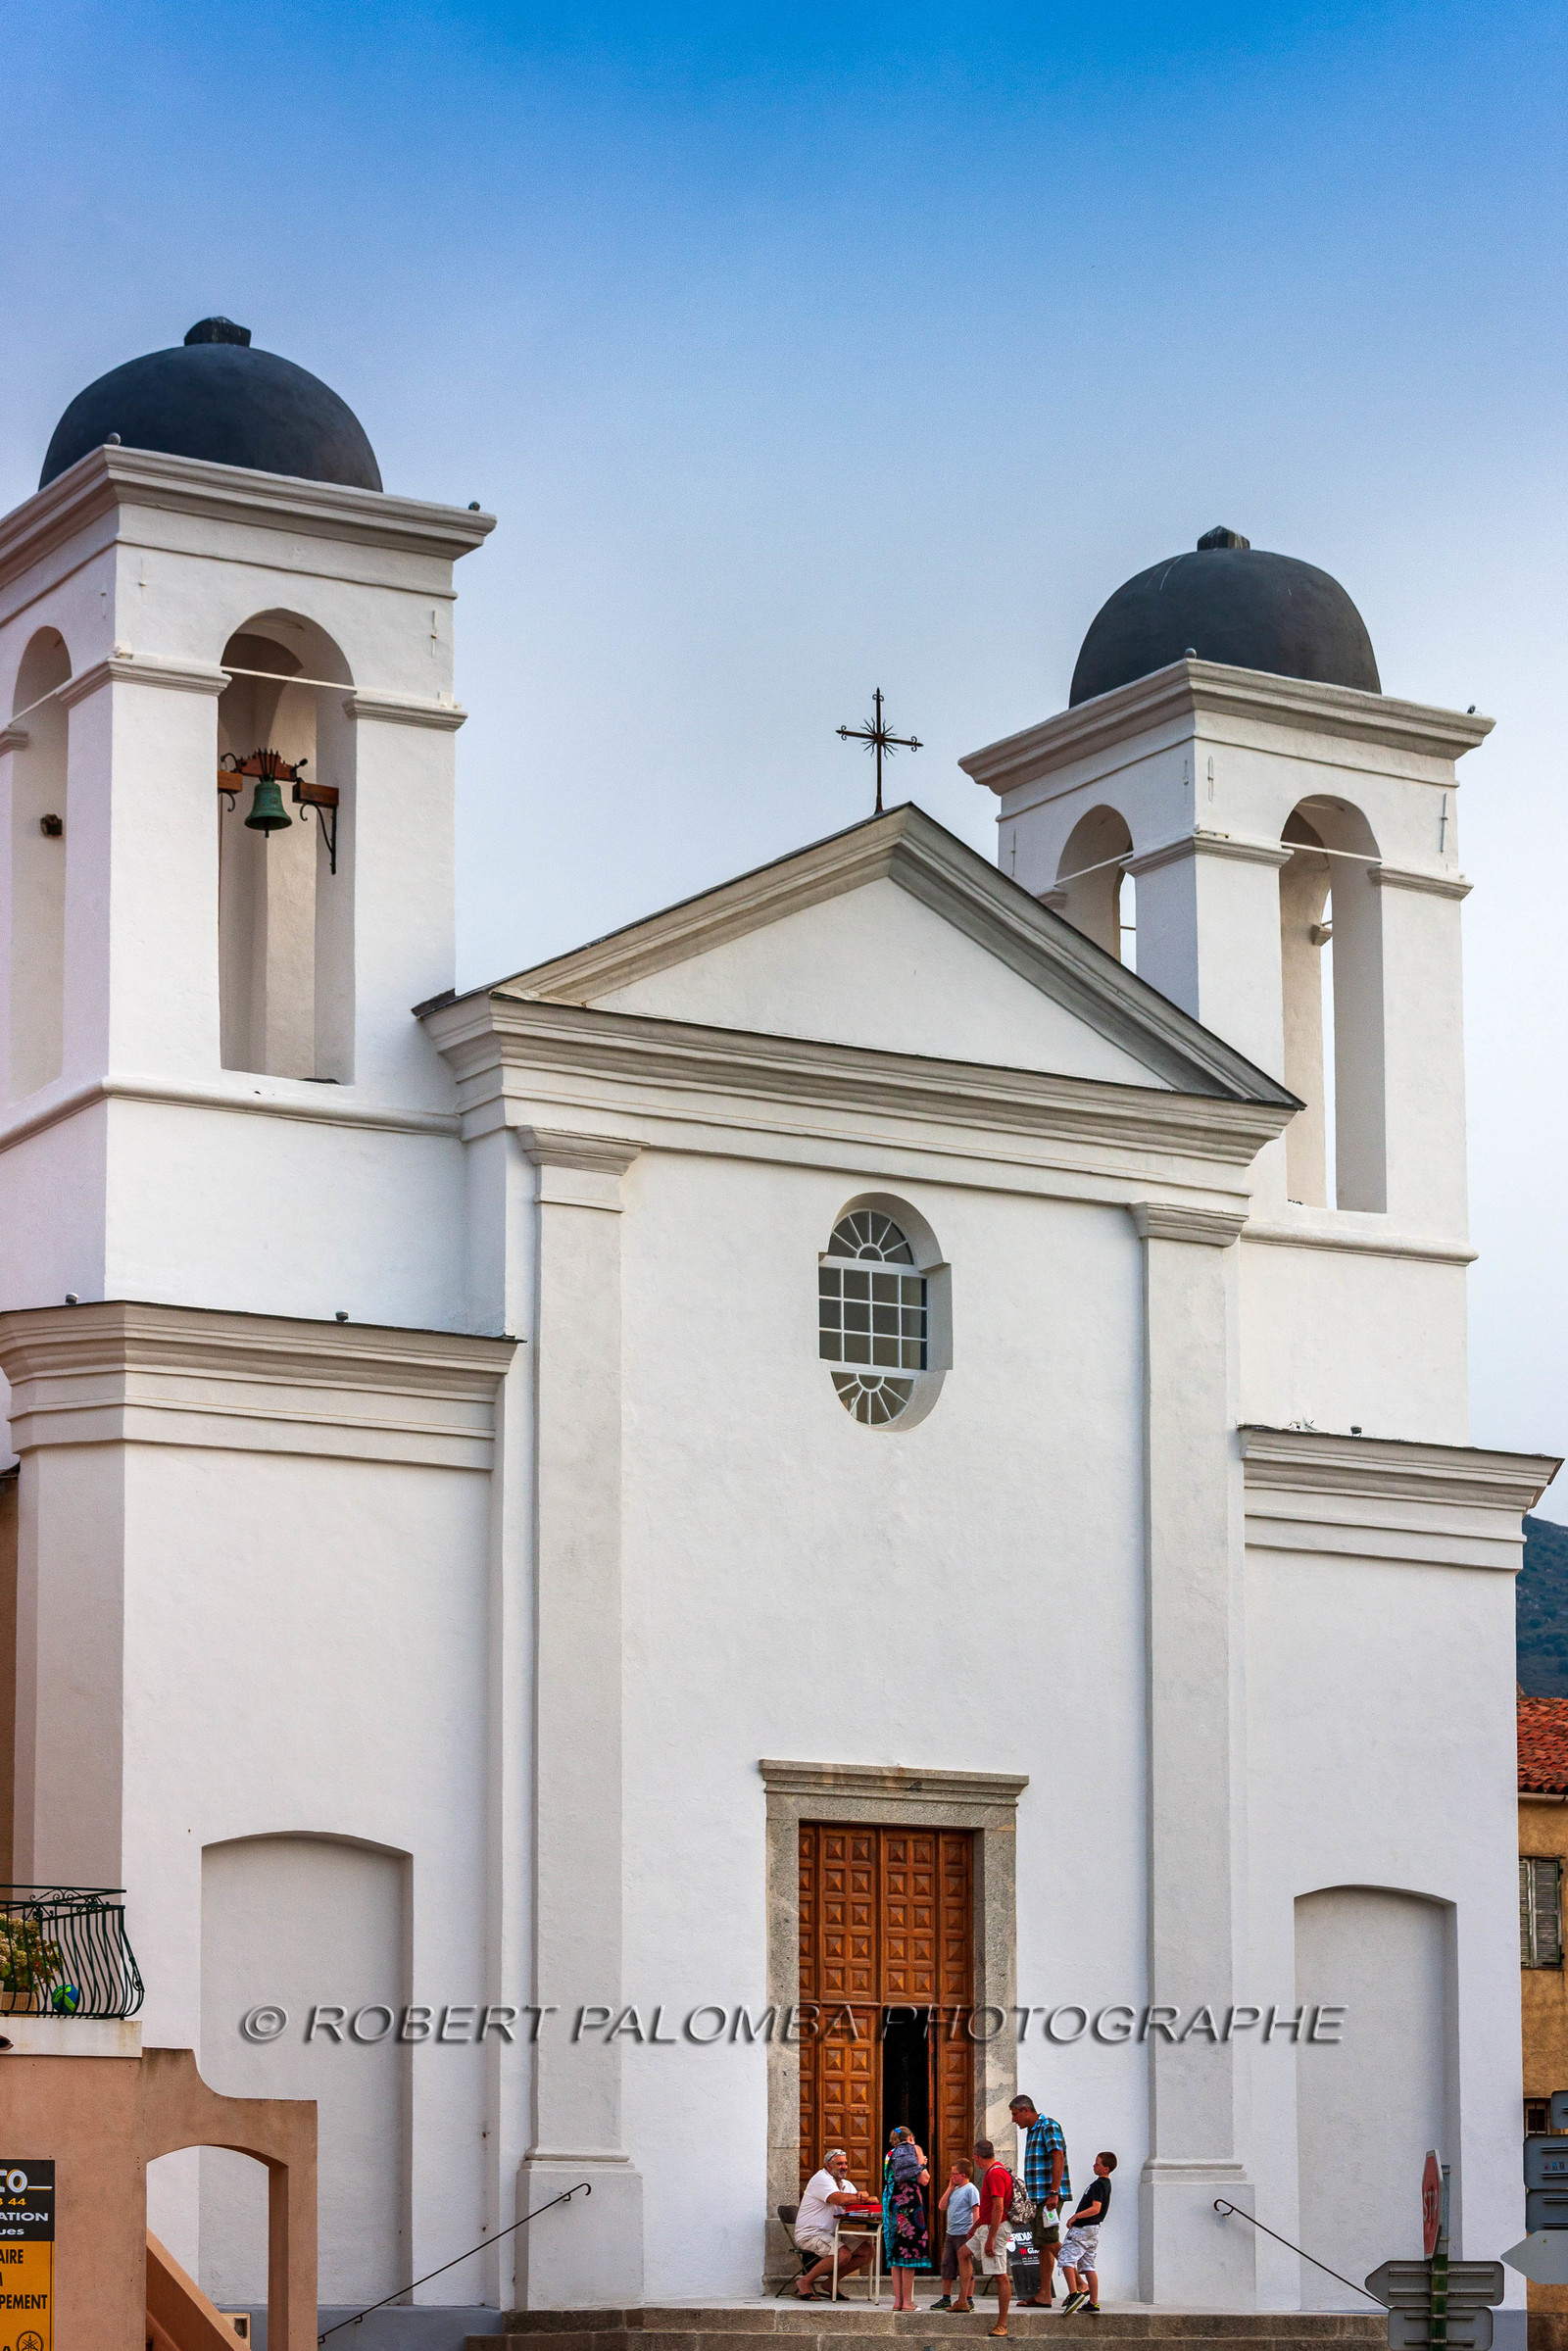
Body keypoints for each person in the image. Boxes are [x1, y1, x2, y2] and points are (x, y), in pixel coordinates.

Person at [1008, 2093, 1070, 2308]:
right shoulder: (1032, 2132)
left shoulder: (1048, 2126)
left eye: (1016, 2115)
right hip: (1037, 2197)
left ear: (1026, 2110)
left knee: (1048, 2238)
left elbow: (1058, 2157)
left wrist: (1054, 2192)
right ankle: (1044, 2293)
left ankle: (1080, 2282)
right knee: (1041, 2243)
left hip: (1048, 2195)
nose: (1014, 2120)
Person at [794, 2147, 875, 2299]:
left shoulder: (846, 2184)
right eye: (839, 2164)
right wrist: (864, 2198)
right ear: (828, 2166)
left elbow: (859, 2203)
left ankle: (831, 2282)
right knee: (842, 2253)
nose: (843, 2167)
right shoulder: (821, 2178)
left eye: (845, 2163)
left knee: (867, 2250)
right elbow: (840, 2199)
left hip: (831, 2234)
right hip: (810, 2234)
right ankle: (805, 2282)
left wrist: (865, 2198)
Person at [961, 2134, 1015, 2337]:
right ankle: (962, 2301)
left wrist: (991, 2238)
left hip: (996, 2229)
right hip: (985, 2227)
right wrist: (976, 2226)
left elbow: (998, 2207)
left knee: (1000, 2275)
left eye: (974, 2159)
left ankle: (1002, 2324)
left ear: (977, 2157)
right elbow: (988, 2207)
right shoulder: (996, 2171)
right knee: (962, 2253)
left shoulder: (994, 2175)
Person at [1058, 2152, 1115, 2315]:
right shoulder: (1106, 2185)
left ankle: (1074, 2293)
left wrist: (1076, 2216)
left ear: (1106, 2169)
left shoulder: (1099, 2185)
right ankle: (1093, 2302)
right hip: (1093, 2229)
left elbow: (1095, 2208)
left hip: (1083, 2228)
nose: (1094, 2166)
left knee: (1067, 2258)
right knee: (1088, 2264)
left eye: (1097, 2164)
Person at [883, 2126, 931, 2311]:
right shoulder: (914, 2149)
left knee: (896, 2252)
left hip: (892, 2203)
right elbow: (924, 2179)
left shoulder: (890, 2154)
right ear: (910, 2137)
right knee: (909, 2252)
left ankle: (897, 2301)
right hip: (909, 2204)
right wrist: (923, 2164)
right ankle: (908, 2302)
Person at [932, 2158, 979, 2311]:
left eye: (954, 2174)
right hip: (951, 2233)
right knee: (947, 2264)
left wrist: (974, 2230)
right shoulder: (954, 2190)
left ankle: (968, 2298)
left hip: (964, 2233)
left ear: (963, 2175)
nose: (951, 2176)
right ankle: (946, 2297)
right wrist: (949, 2189)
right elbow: (941, 2206)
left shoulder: (970, 2189)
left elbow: (975, 2211)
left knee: (966, 2266)